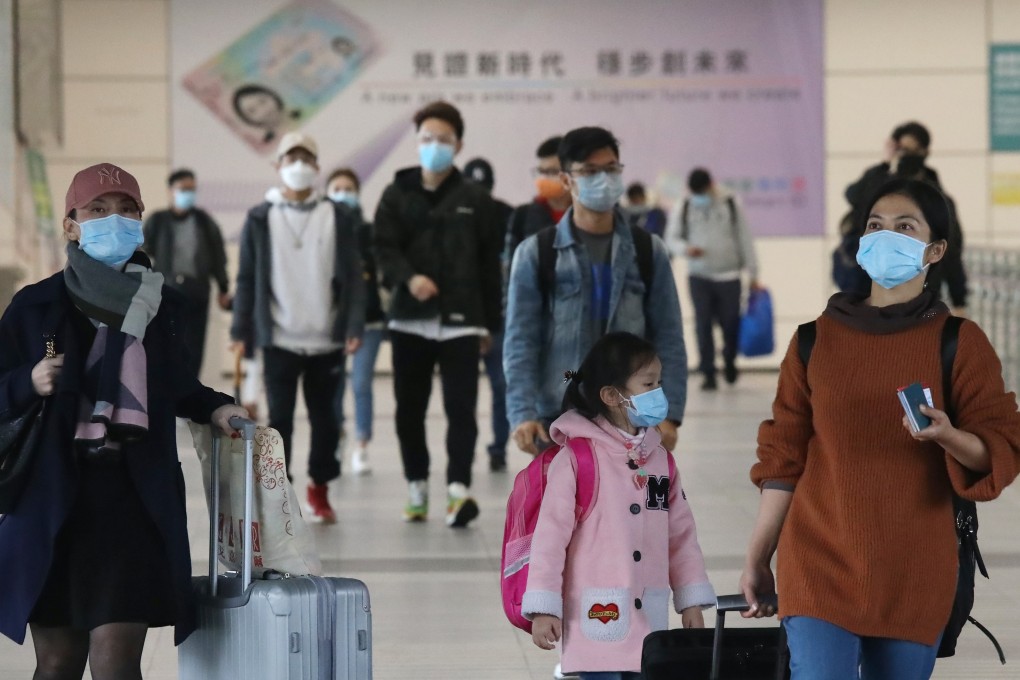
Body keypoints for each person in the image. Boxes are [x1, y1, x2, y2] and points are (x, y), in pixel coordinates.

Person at [739, 178, 1020, 679]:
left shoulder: (959, 342)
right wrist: (759, 556)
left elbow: (998, 447)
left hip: (914, 568)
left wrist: (948, 435)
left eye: (904, 227)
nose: (884, 236)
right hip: (818, 558)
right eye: (875, 226)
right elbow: (783, 457)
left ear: (935, 250)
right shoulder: (813, 340)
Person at [0, 163, 247, 678]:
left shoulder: (163, 305)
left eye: (127, 209)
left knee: (116, 662)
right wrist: (29, 381)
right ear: (71, 224)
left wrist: (217, 406)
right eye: (98, 210)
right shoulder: (34, 306)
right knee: (58, 663)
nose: (115, 219)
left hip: (130, 501)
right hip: (51, 501)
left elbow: (176, 385)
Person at [523, 332, 715, 679]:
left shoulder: (660, 461)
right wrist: (543, 608)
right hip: (595, 615)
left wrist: (690, 601)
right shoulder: (578, 459)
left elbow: (681, 537)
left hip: (649, 619)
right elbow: (549, 540)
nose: (659, 392)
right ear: (612, 395)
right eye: (648, 383)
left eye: (659, 382)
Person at [505, 126, 687, 458]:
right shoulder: (537, 252)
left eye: (610, 169)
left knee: (629, 509)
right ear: (566, 180)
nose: (603, 179)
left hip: (631, 418)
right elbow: (521, 340)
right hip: (557, 418)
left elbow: (669, 334)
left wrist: (669, 414)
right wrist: (522, 413)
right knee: (562, 509)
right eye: (590, 171)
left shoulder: (648, 250)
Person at [373, 101, 503, 526]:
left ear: (459, 144)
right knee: (409, 409)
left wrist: (489, 324)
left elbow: (489, 266)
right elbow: (383, 250)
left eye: (443, 140)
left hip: (462, 322)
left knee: (461, 408)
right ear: (416, 143)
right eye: (427, 139)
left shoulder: (476, 200)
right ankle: (416, 484)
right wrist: (409, 279)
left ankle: (457, 490)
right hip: (410, 318)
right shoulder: (396, 194)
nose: (434, 146)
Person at [231, 132, 364, 524]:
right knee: (281, 420)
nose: (300, 166)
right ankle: (282, 492)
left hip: (327, 339)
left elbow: (355, 277)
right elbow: (246, 278)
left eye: (307, 158)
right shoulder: (260, 217)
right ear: (278, 166)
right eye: (292, 158)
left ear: (317, 167)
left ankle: (319, 488)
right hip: (280, 339)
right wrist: (240, 330)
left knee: (327, 422)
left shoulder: (338, 215)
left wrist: (354, 323)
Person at [843, 121, 968, 314]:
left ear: (925, 152)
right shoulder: (879, 187)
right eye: (876, 225)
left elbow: (952, 253)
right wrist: (885, 163)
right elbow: (854, 196)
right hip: (865, 290)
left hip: (924, 301)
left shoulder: (938, 200)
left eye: (904, 226)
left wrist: (959, 301)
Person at [670, 167, 760, 391]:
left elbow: (744, 238)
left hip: (729, 274)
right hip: (699, 275)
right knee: (703, 324)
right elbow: (671, 238)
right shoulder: (685, 205)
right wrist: (685, 249)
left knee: (731, 323)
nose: (699, 196)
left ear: (711, 185)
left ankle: (729, 359)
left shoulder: (730, 203)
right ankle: (708, 371)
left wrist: (754, 273)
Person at [142, 168, 231, 378]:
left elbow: (218, 256)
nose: (188, 194)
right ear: (170, 191)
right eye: (183, 189)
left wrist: (223, 288)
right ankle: (167, 392)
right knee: (166, 343)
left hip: (197, 292)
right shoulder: (158, 221)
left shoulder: (204, 222)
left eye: (192, 189)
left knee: (194, 346)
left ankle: (190, 392)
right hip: (165, 292)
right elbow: (142, 253)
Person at [326, 167, 383, 476]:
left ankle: (362, 443)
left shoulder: (369, 232)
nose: (343, 193)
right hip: (331, 322)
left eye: (349, 188)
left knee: (360, 383)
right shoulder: (322, 229)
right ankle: (337, 434)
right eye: (338, 187)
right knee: (333, 386)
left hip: (369, 320)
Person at [463, 156, 514, 472]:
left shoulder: (507, 215)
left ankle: (498, 448)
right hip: (466, 320)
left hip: (500, 317)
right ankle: (465, 447)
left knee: (501, 386)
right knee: (463, 393)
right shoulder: (458, 216)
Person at [505, 136, 572, 263]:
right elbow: (512, 267)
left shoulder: (584, 215)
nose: (545, 178)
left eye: (552, 171)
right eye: (542, 171)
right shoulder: (522, 216)